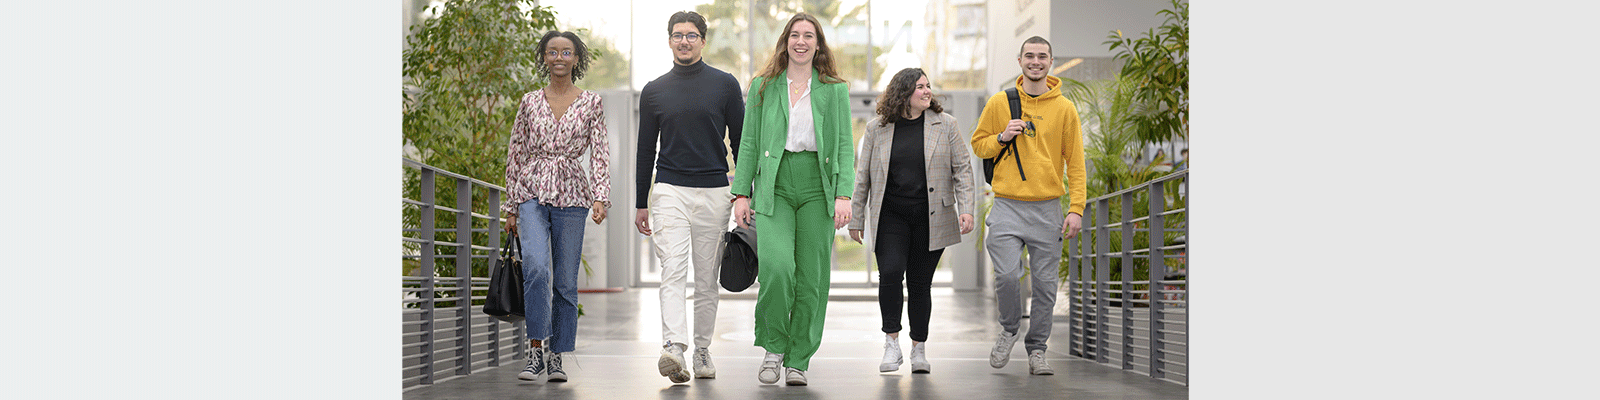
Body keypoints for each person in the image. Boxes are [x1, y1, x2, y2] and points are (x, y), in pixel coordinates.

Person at [731, 12, 854, 386]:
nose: (801, 41)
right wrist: (741, 193)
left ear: (818, 45)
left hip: (818, 187)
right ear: (785, 41)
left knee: (812, 278)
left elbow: (844, 145)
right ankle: (774, 347)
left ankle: (798, 359)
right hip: (775, 185)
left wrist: (844, 194)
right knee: (777, 267)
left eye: (809, 36)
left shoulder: (834, 90)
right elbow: (749, 143)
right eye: (795, 35)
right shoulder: (763, 86)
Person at [634, 10, 745, 384]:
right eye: (678, 35)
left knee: (707, 279)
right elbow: (645, 150)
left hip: (716, 191)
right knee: (673, 270)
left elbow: (741, 143)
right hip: (670, 190)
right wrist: (641, 202)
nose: (684, 41)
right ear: (669, 41)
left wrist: (744, 193)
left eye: (691, 35)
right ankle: (673, 347)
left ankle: (701, 349)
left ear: (702, 40)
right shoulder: (654, 90)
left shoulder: (725, 85)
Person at [969, 36, 1087, 376]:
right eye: (1030, 56)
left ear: (1051, 62)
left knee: (1046, 287)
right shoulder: (999, 103)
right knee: (1008, 275)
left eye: (1042, 56)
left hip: (1048, 208)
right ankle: (1009, 329)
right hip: (1007, 206)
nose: (1036, 61)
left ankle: (1037, 349)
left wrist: (1076, 208)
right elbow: (979, 145)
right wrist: (1002, 137)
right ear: (1020, 61)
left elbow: (1076, 163)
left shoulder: (1065, 109)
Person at [500, 30, 611, 384]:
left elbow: (600, 151)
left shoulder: (591, 102)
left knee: (564, 281)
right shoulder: (529, 101)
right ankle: (535, 349)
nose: (559, 57)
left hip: (573, 195)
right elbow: (516, 152)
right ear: (544, 58)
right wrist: (511, 207)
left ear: (576, 58)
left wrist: (601, 196)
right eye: (552, 52)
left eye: (566, 52)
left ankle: (557, 356)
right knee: (535, 268)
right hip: (531, 190)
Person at [847, 68, 975, 375]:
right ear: (903, 92)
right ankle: (891, 343)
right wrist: (856, 216)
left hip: (931, 217)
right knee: (890, 273)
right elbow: (862, 176)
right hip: (890, 215)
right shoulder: (878, 128)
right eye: (920, 87)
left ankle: (919, 348)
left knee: (920, 284)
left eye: (928, 85)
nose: (927, 91)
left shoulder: (946, 125)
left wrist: (967, 208)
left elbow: (962, 168)